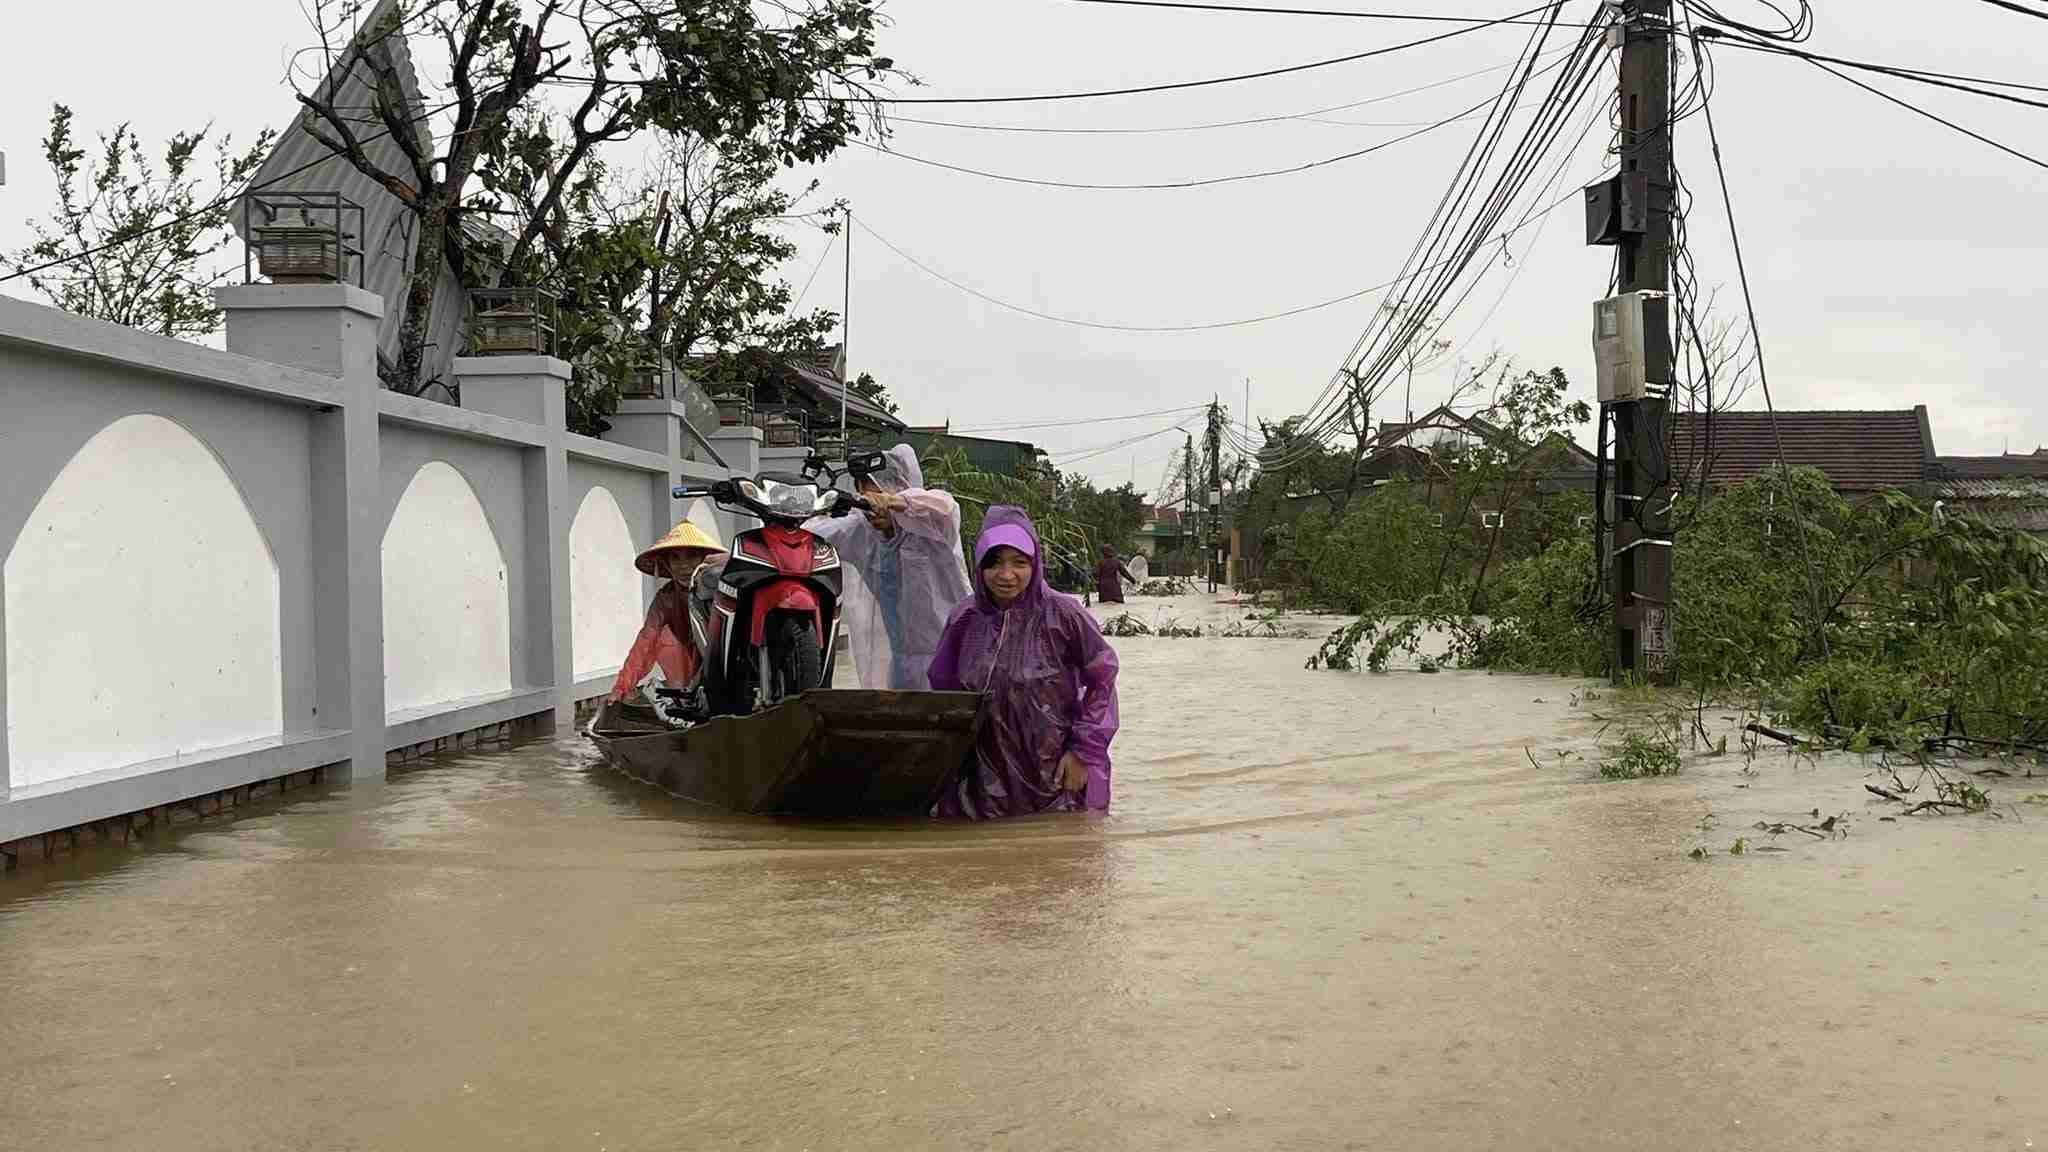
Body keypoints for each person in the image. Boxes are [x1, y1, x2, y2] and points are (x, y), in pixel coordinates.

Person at [930, 507, 1120, 819]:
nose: (1006, 575)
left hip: (1056, 772)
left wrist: (1083, 753)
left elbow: (1102, 680)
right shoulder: (964, 619)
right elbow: (945, 689)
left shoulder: (1064, 614)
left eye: (1019, 563)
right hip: (983, 779)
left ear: (1035, 564)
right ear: (979, 565)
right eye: (994, 563)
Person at [806, 444, 972, 690]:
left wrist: (893, 502)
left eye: (876, 492)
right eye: (862, 493)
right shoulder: (860, 531)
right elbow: (810, 536)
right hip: (904, 664)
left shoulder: (932, 525)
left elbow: (946, 506)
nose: (870, 505)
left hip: (954, 656)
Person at [607, 519, 726, 704]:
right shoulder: (666, 598)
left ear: (704, 559)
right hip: (690, 665)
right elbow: (646, 642)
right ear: (667, 564)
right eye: (675, 558)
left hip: (727, 658)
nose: (684, 566)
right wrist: (622, 688)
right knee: (665, 639)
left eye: (691, 556)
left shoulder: (723, 589)